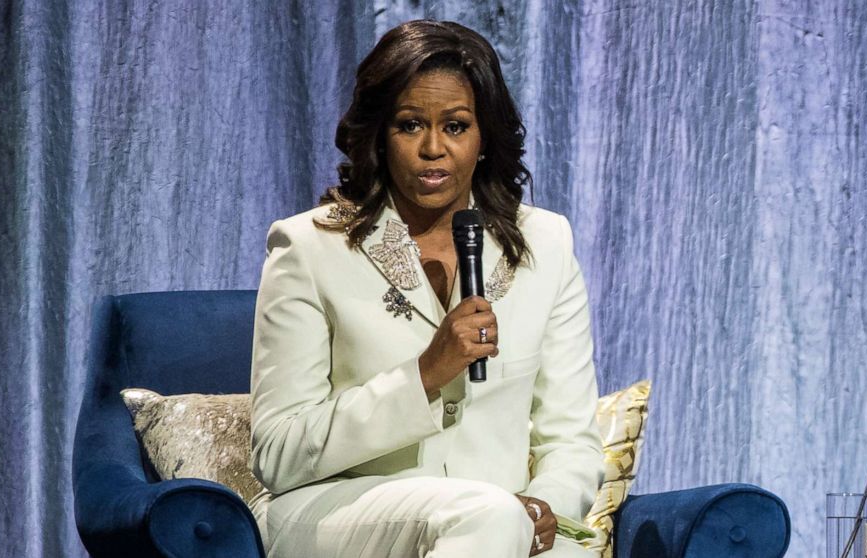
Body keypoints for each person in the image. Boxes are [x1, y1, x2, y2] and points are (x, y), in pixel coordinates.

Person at [249, 19, 604, 558]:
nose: (433, 148)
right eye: (410, 125)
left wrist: (541, 505)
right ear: (379, 135)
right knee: (483, 515)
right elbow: (278, 453)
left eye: (456, 126)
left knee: (520, 531)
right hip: (341, 513)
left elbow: (570, 438)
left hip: (497, 520)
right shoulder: (308, 247)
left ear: (484, 137)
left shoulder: (546, 244)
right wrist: (423, 376)